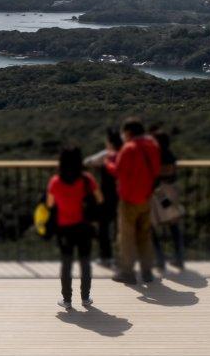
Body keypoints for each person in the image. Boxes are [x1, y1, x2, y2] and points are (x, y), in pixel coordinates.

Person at [106, 116, 162, 284]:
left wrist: (108, 162)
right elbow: (156, 169)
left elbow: (118, 171)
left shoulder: (128, 148)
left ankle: (127, 273)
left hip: (129, 199)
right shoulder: (153, 145)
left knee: (127, 237)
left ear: (128, 133)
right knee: (145, 236)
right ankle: (147, 272)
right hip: (146, 197)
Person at [48, 146, 103, 309]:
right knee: (85, 262)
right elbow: (99, 198)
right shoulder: (87, 179)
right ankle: (85, 298)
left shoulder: (56, 182)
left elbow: (50, 203)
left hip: (64, 228)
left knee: (66, 263)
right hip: (84, 226)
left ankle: (67, 300)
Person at [83, 128, 121, 266]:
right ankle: (121, 258)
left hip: (107, 196)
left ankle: (106, 256)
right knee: (121, 228)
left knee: (104, 226)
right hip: (123, 196)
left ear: (110, 142)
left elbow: (87, 162)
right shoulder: (126, 153)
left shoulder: (107, 155)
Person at [150, 127, 186, 270]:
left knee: (152, 224)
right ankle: (178, 257)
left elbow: (164, 172)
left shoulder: (160, 155)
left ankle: (159, 259)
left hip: (161, 194)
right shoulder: (169, 154)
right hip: (166, 194)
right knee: (173, 224)